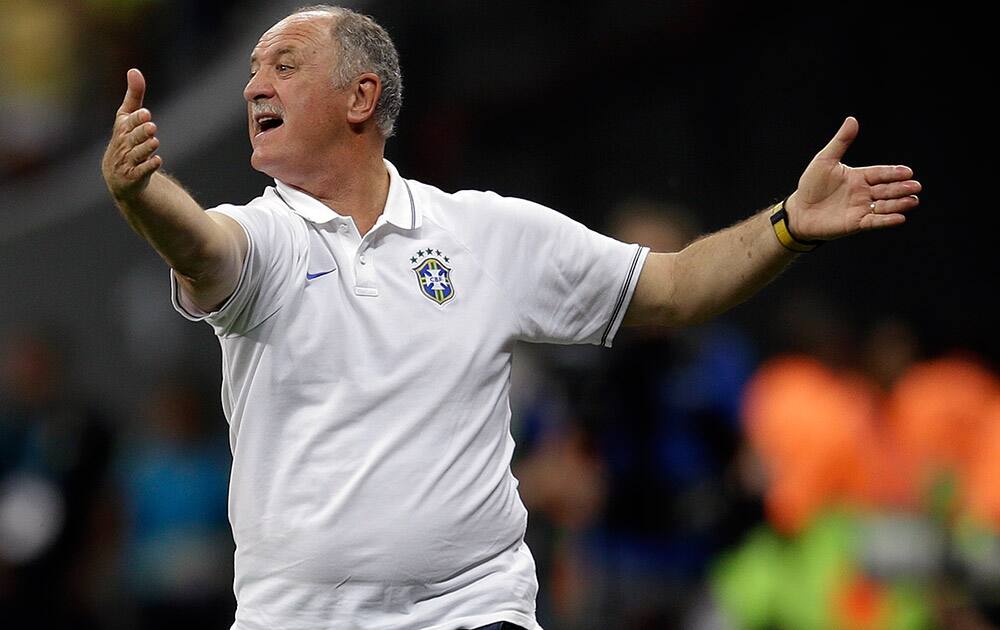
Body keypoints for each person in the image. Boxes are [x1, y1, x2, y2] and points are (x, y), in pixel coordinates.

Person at [100, 5, 921, 630]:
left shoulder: (486, 232)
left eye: (283, 64)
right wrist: (145, 195)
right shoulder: (266, 236)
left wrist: (786, 223)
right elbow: (202, 246)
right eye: (251, 70)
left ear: (361, 96)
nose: (253, 86)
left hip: (472, 612)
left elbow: (672, 288)